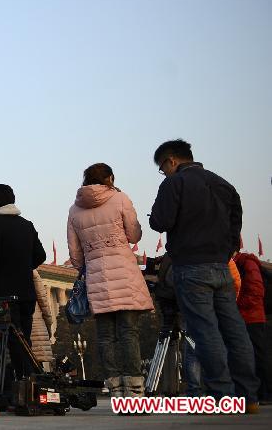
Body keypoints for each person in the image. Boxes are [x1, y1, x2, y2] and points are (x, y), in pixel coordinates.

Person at [150, 139, 260, 411]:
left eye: (162, 168)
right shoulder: (223, 183)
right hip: (222, 266)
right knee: (235, 331)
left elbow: (160, 222)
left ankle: (222, 395)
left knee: (205, 331)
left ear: (171, 161)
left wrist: (155, 215)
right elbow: (236, 223)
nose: (164, 173)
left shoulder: (174, 184)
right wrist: (225, 251)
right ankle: (248, 395)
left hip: (191, 266)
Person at [67, 163, 153, 397]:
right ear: (110, 178)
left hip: (96, 278)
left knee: (105, 336)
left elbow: (75, 256)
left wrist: (93, 259)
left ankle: (115, 388)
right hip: (124, 273)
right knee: (129, 332)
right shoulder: (120, 198)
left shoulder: (74, 210)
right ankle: (135, 389)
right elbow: (134, 235)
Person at [0, 185, 46, 403]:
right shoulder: (27, 225)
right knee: (23, 340)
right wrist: (22, 267)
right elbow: (40, 255)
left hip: (3, 295)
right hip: (26, 294)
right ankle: (27, 387)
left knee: (5, 341)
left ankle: (3, 389)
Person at [233, 252, 272, 403]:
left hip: (253, 317)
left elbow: (256, 291)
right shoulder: (241, 263)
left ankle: (265, 393)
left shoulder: (248, 263)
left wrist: (236, 304)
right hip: (246, 316)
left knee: (258, 355)